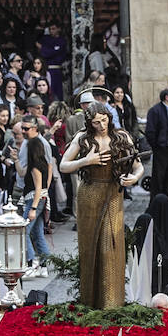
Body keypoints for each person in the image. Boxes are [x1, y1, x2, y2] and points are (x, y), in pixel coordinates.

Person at [58, 103, 142, 309]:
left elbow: (138, 166)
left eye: (104, 120)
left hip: (113, 193)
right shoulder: (83, 138)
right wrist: (86, 160)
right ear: (89, 122)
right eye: (96, 122)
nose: (101, 125)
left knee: (110, 244)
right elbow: (63, 165)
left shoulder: (122, 137)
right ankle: (90, 301)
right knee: (90, 247)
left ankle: (112, 303)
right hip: (89, 193)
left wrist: (134, 177)